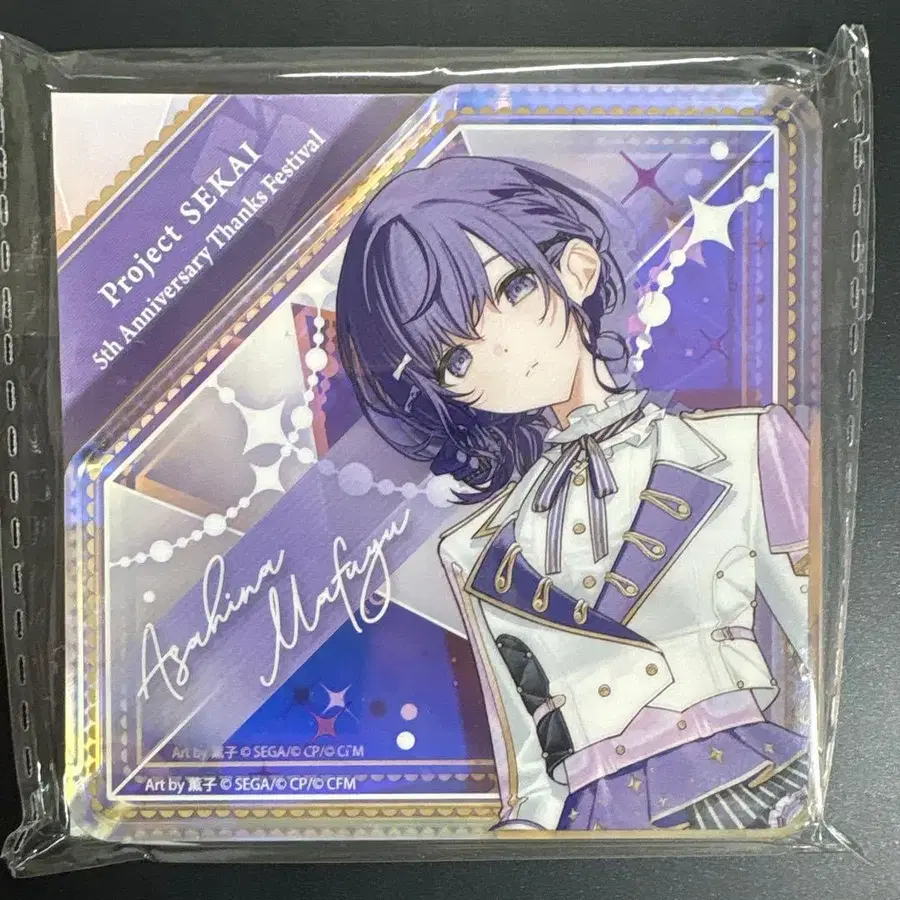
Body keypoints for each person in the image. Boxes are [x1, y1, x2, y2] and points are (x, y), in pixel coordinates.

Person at [335, 155, 810, 831]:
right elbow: (527, 764)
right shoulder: (471, 551)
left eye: (511, 289)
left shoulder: (748, 445)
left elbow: (836, 662)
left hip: (744, 785)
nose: (501, 348)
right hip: (596, 828)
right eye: (455, 357)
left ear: (577, 269)